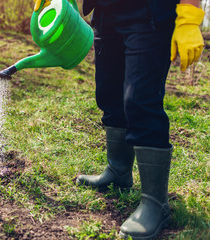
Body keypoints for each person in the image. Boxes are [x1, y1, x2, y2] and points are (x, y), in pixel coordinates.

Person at [33, 0, 205, 239]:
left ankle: (156, 203)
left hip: (150, 13)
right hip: (106, 12)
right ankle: (118, 170)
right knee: (109, 94)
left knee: (140, 100)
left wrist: (189, 17)